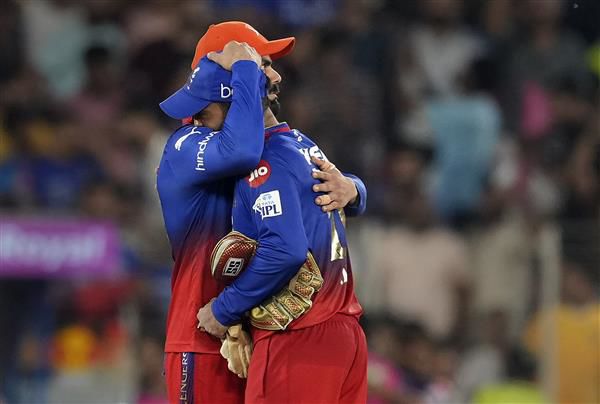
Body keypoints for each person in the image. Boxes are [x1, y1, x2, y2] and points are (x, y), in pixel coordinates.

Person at [157, 28, 367, 404]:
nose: (273, 76)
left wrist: (352, 189)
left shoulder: (274, 146)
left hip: (257, 329)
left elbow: (301, 180)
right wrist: (245, 71)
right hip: (203, 335)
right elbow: (243, 152)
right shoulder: (186, 144)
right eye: (261, 64)